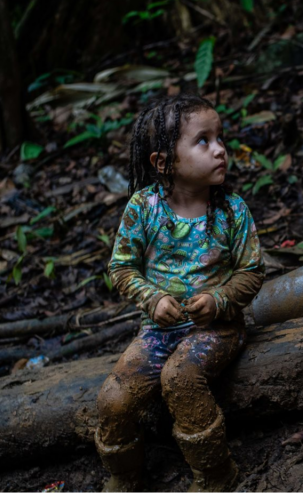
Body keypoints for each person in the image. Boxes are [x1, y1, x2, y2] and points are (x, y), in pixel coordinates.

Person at [95, 95, 264, 493]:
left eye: (219, 137)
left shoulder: (232, 211)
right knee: (113, 399)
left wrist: (219, 300)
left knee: (181, 377)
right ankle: (124, 473)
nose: (220, 149)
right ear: (164, 162)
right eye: (203, 141)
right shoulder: (143, 208)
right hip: (158, 331)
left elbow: (252, 271)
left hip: (218, 328)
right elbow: (121, 267)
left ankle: (215, 472)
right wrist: (153, 299)